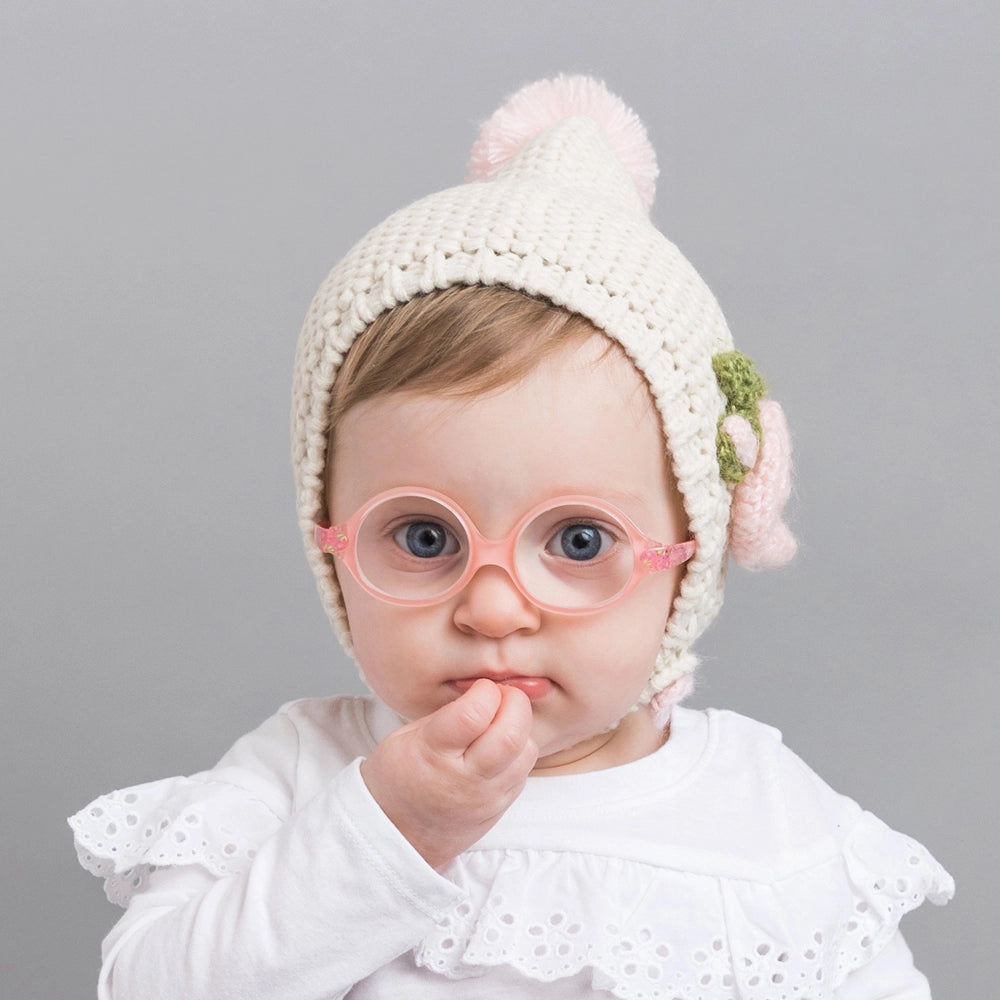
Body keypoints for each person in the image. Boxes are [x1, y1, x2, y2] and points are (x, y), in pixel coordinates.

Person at [69, 76, 953, 999]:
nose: (491, 607)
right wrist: (391, 829)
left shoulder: (768, 819)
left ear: (689, 555)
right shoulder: (300, 778)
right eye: (421, 536)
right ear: (332, 542)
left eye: (577, 543)